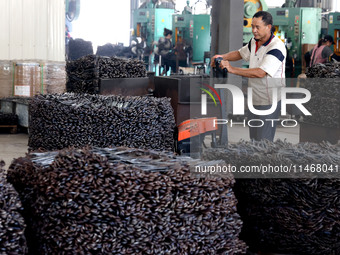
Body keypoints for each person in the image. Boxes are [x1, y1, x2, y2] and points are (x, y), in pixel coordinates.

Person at [211, 11, 286, 142]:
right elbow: (240, 53)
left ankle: (263, 163)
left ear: (268, 27)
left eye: (258, 27)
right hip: (255, 98)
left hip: (269, 100)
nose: (254, 30)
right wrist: (221, 57)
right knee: (254, 139)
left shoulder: (276, 47)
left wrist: (231, 69)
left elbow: (261, 72)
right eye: (252, 26)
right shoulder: (254, 41)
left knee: (264, 141)